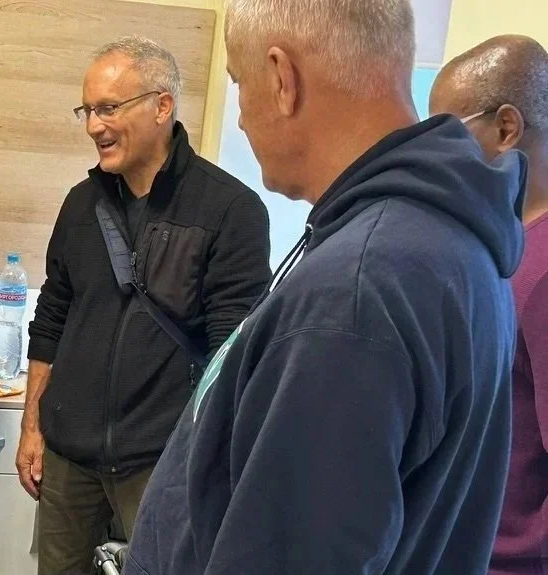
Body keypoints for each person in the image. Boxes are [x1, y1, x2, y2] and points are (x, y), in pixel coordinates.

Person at [122, 1, 528, 573]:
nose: (239, 117)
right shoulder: (441, 245)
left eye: (239, 84)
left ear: (282, 78)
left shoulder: (357, 291)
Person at [18, 35, 272, 574]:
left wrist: (212, 463)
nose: (93, 126)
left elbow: (234, 354)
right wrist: (32, 428)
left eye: (108, 108)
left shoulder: (231, 209)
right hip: (68, 460)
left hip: (163, 463)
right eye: (87, 110)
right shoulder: (81, 203)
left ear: (162, 106)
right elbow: (52, 318)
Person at [429, 34, 548, 575]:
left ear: (506, 128)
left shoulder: (544, 271)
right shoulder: (503, 248)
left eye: (446, 133)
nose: (431, 155)